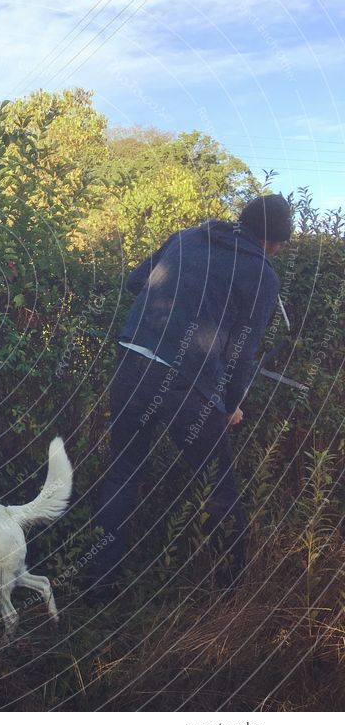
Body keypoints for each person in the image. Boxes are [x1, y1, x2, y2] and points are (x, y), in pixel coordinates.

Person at [86, 194, 293, 599]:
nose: (280, 249)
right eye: (281, 242)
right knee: (219, 486)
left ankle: (96, 587)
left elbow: (135, 282)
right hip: (188, 386)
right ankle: (231, 592)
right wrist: (230, 405)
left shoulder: (187, 237)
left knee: (123, 472)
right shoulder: (262, 273)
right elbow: (243, 351)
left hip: (133, 362)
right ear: (272, 240)